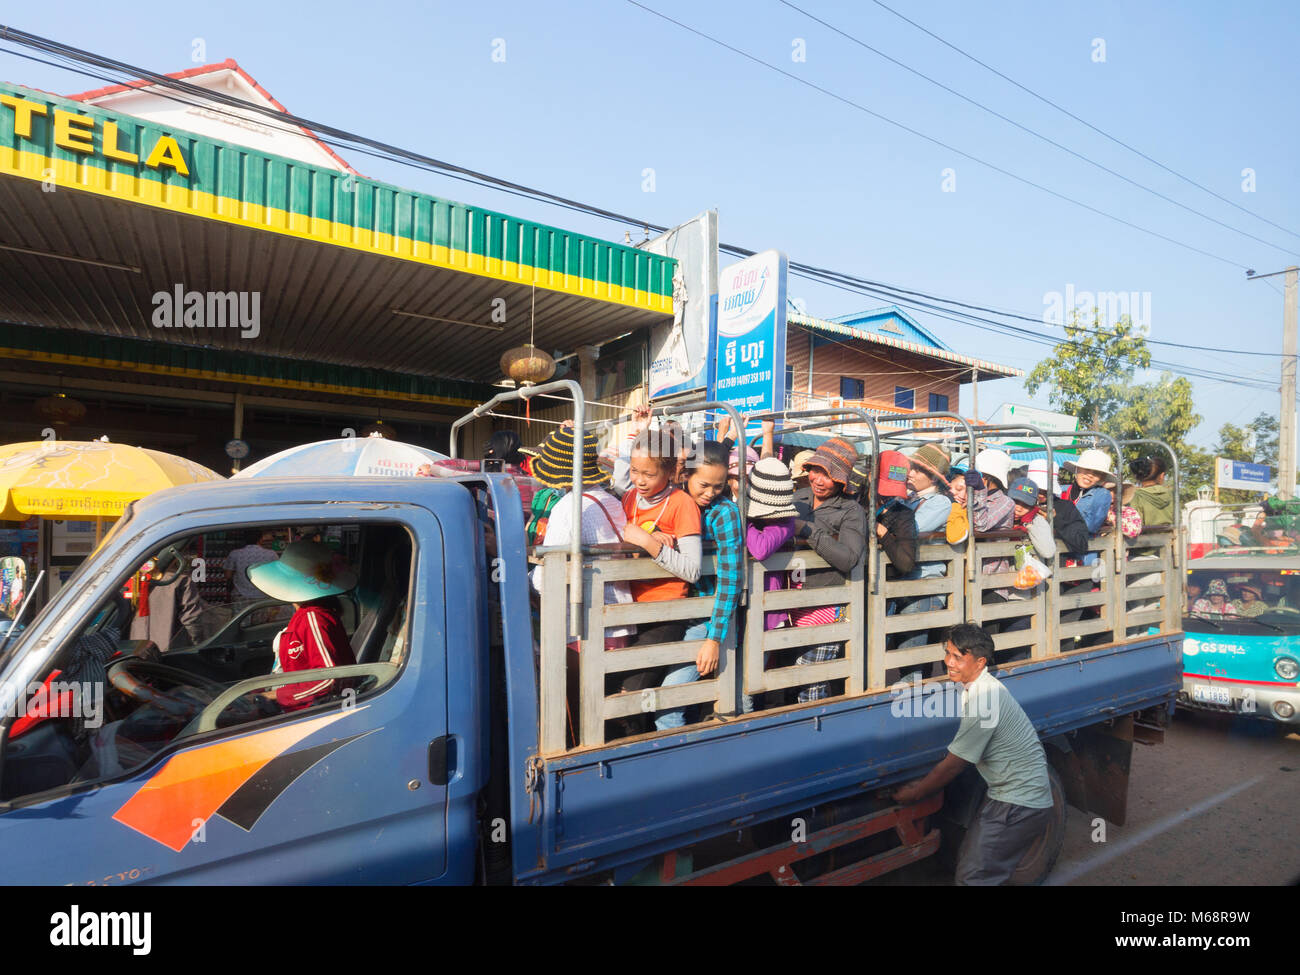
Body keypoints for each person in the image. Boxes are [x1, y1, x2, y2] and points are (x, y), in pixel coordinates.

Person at [888, 622, 1054, 886]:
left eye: (957, 657)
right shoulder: (980, 688)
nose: (948, 662)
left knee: (974, 878)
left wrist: (916, 792)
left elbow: (955, 764)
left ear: (980, 662)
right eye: (947, 653)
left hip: (1017, 803)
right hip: (1012, 799)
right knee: (974, 869)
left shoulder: (984, 699)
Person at [528, 426, 632, 745]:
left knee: (578, 721)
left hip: (583, 631)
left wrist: (529, 579)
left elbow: (548, 580)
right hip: (621, 623)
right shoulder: (612, 501)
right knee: (606, 711)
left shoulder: (567, 509)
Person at [616, 422, 703, 734]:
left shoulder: (683, 505)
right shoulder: (627, 499)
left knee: (631, 689)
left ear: (669, 472)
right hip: (627, 610)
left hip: (665, 613)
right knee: (616, 684)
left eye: (648, 474)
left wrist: (648, 542)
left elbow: (692, 569)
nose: (639, 480)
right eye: (635, 471)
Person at [657, 440, 742, 731]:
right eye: (704, 485)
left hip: (709, 617)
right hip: (674, 611)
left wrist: (713, 638)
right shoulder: (673, 502)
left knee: (670, 703)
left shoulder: (724, 513)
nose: (711, 494)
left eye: (718, 486)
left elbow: (731, 577)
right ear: (686, 476)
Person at [789, 438, 868, 702]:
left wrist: (808, 530)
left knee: (809, 678)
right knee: (785, 676)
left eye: (828, 475)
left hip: (827, 604)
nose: (818, 479)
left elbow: (849, 558)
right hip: (787, 603)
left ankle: (814, 732)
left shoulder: (851, 511)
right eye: (816, 471)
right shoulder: (797, 497)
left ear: (842, 480)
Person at [247, 540, 358, 712]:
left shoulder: (313, 617)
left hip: (308, 714)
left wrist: (274, 695)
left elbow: (328, 678)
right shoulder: (307, 615)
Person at [744, 457, 800, 711]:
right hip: (743, 605)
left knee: (750, 679)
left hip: (768, 610)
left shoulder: (783, 521)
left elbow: (760, 549)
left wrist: (742, 521)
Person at [128, 546, 208, 653]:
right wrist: (197, 648)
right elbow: (192, 621)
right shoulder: (181, 581)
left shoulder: (128, 580)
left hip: (132, 651)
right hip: (168, 653)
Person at [1061, 449, 1116, 564]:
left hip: (1085, 554)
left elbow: (1090, 525)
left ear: (1101, 478)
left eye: (1096, 473)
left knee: (1086, 579)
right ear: (1077, 469)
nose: (1090, 475)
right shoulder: (1064, 491)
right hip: (1062, 551)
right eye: (1086, 470)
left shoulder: (1102, 494)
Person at [223, 530, 278, 602]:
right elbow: (277, 575)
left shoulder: (235, 554)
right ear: (261, 539)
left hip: (240, 596)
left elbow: (228, 575)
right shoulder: (271, 554)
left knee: (242, 613)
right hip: (263, 597)